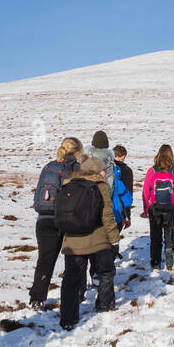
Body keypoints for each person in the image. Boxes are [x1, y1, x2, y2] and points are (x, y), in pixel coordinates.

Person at [59, 156, 118, 329]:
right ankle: (105, 305)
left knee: (71, 278)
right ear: (98, 170)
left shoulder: (68, 183)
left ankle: (68, 317)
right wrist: (114, 239)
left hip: (72, 239)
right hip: (98, 239)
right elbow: (107, 216)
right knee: (106, 271)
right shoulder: (101, 186)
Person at [29, 137, 82, 310]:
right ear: (76, 152)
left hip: (44, 218)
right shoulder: (74, 167)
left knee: (45, 260)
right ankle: (75, 296)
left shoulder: (48, 167)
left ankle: (37, 298)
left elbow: (38, 193)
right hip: (66, 219)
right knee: (73, 260)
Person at [142, 144, 174, 271]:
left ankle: (155, 262)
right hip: (170, 208)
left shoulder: (152, 171)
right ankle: (169, 252)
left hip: (155, 208)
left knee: (155, 237)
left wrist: (146, 209)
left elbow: (145, 191)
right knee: (169, 234)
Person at [111, 145, 134, 233]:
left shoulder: (105, 168)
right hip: (119, 211)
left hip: (103, 210)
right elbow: (127, 195)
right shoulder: (127, 170)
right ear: (123, 156)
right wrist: (127, 216)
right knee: (114, 240)